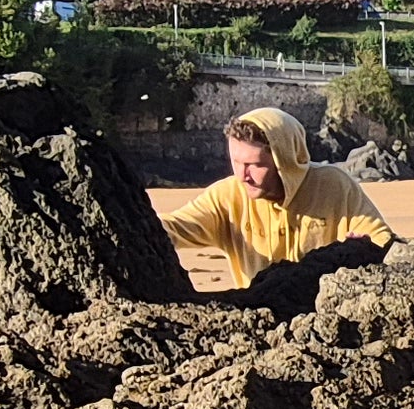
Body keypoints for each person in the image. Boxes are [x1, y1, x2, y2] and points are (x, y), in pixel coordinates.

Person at [161, 106, 392, 289]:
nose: (243, 176)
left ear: (285, 162)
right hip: (259, 320)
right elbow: (177, 227)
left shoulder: (334, 185)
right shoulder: (227, 196)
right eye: (236, 162)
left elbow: (381, 238)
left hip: (323, 318)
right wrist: (130, 223)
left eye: (255, 165)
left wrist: (362, 247)